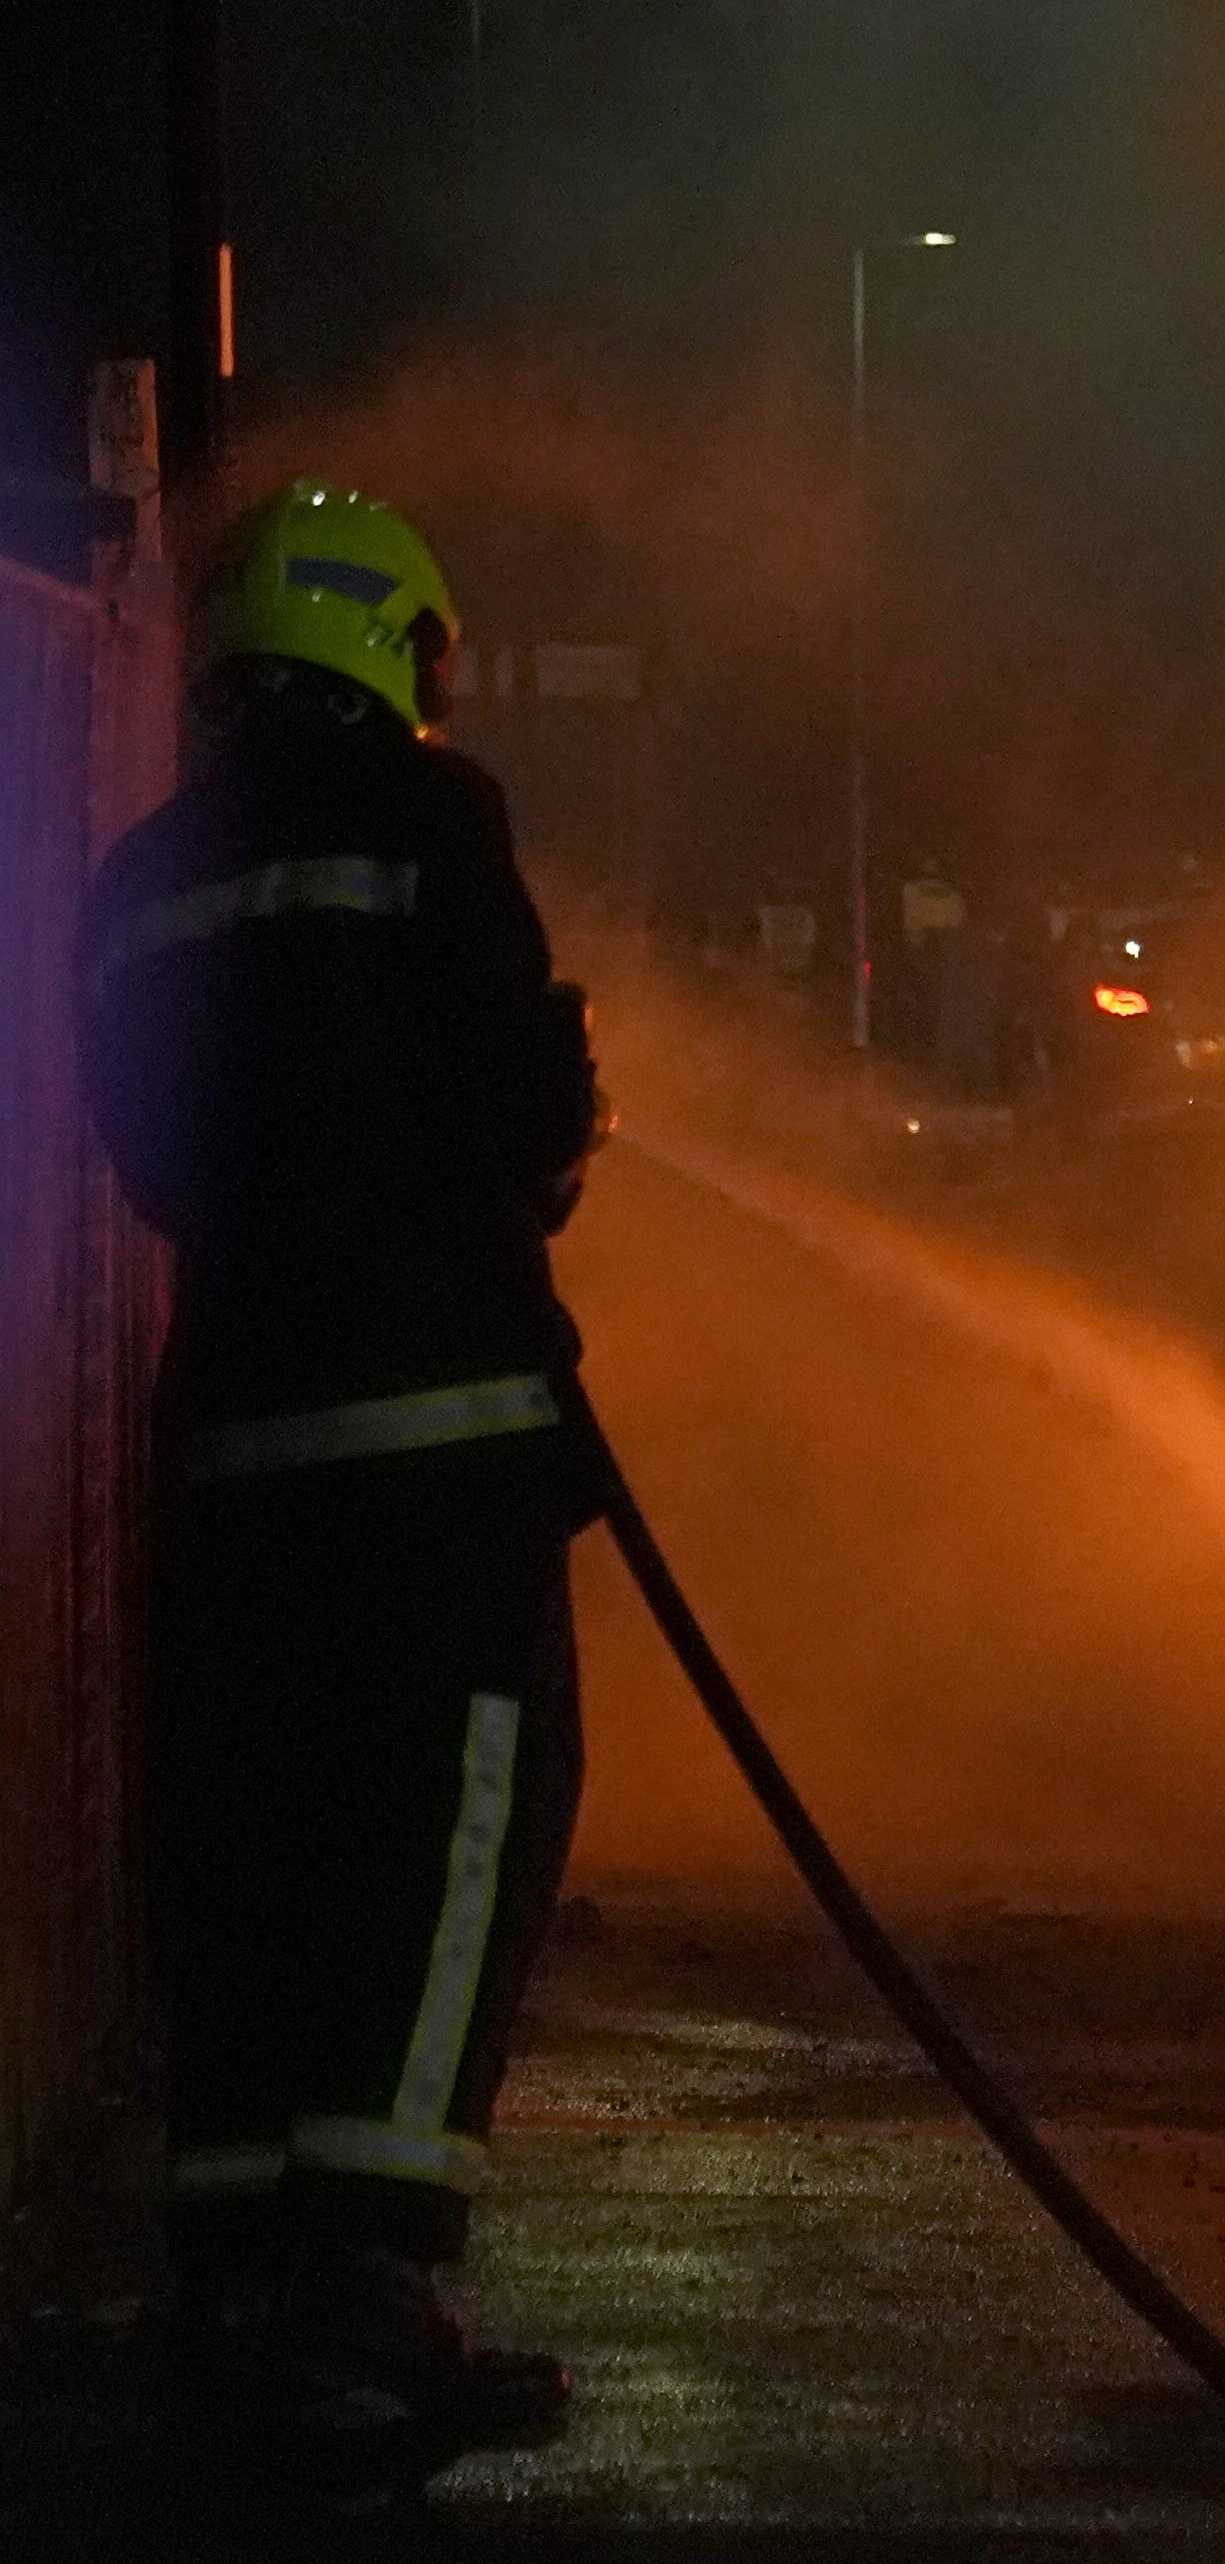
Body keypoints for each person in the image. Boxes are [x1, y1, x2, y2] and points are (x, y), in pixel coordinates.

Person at [74, 478, 607, 2509]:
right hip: (440, 1451)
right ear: (389, 644)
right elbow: (524, 1112)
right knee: (452, 1842)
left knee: (258, 1864)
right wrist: (540, 1137)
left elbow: (160, 1168)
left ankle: (233, 2288)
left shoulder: (136, 881)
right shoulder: (430, 828)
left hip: (237, 1454)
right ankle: (370, 2314)